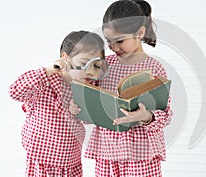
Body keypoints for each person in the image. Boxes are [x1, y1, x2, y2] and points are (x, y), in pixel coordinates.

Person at [70, 1, 173, 176]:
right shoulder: (104, 65)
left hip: (140, 153)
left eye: (120, 40)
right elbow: (91, 98)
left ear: (140, 33)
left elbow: (166, 114)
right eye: (109, 41)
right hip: (107, 152)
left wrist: (146, 116)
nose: (113, 47)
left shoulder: (154, 68)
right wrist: (78, 106)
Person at [9, 30, 105, 177]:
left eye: (96, 65)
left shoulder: (88, 88)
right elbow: (15, 91)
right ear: (65, 59)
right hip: (41, 160)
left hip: (70, 161)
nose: (90, 71)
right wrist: (48, 70)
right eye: (85, 63)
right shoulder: (45, 82)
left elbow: (91, 119)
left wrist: (80, 109)